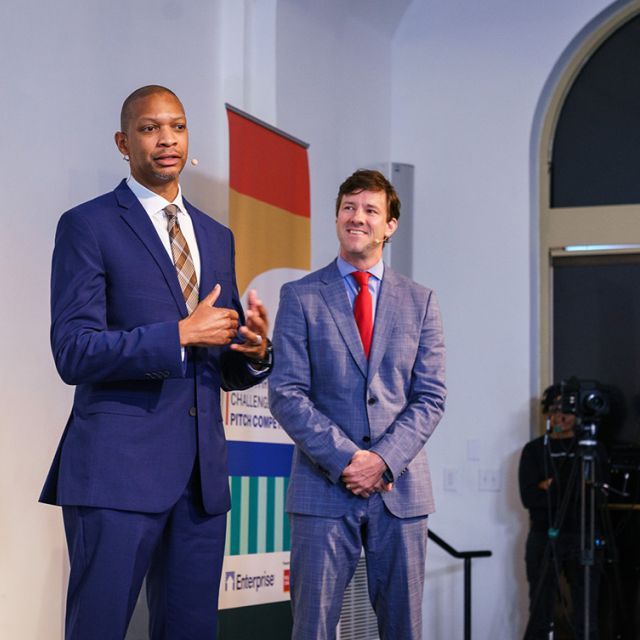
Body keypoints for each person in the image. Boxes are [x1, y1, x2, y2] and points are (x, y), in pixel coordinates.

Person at [40, 85, 273, 640]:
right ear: (124, 142)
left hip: (201, 482)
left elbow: (220, 358)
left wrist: (255, 352)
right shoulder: (88, 225)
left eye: (177, 126)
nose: (166, 138)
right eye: (149, 128)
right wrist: (177, 335)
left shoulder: (218, 237)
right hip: (117, 474)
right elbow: (73, 350)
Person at [268, 169, 446, 640]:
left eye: (370, 210)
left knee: (401, 629)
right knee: (313, 628)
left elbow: (430, 397)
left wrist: (382, 460)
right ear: (336, 217)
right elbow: (286, 393)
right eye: (349, 207)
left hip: (400, 492)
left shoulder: (421, 302)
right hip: (322, 488)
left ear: (390, 225)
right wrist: (349, 460)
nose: (357, 217)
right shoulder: (300, 296)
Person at [519, 384, 606, 639]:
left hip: (583, 534)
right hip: (543, 536)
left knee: (586, 613)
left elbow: (592, 496)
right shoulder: (534, 450)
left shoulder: (590, 449)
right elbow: (530, 498)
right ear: (547, 413)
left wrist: (549, 486)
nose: (561, 416)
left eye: (567, 409)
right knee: (540, 609)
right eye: (555, 409)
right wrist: (565, 487)